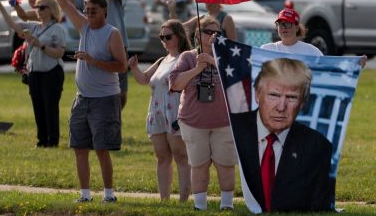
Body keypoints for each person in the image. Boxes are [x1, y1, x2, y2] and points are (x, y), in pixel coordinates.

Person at [47, 0, 127, 203]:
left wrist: (93, 61)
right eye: (87, 10)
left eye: (94, 11)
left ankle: (109, 195)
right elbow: (62, 2)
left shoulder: (111, 33)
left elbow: (121, 66)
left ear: (104, 11)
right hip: (82, 99)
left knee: (101, 150)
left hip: (105, 99)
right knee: (79, 148)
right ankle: (84, 195)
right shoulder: (84, 27)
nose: (89, 14)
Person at [230, 58, 334, 212]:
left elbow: (318, 206)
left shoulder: (318, 146)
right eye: (274, 95)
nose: (281, 107)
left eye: (291, 97)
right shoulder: (234, 129)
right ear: (258, 95)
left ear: (303, 103)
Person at [169, 16, 236, 211]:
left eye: (218, 32)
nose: (214, 35)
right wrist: (197, 68)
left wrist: (213, 62)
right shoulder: (188, 57)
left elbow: (238, 82)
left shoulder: (227, 56)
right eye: (209, 32)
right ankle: (200, 206)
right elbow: (175, 84)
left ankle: (227, 205)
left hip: (223, 121)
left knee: (225, 165)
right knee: (199, 165)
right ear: (198, 35)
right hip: (193, 122)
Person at [128, 19, 192, 201]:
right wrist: (133, 67)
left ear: (179, 37)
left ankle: (183, 199)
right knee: (162, 157)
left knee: (181, 156)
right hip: (156, 112)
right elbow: (144, 79)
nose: (164, 40)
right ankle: (164, 199)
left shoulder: (186, 58)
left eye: (168, 36)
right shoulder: (162, 60)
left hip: (175, 113)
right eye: (161, 37)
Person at [0, 0, 66, 148]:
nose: (38, 9)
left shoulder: (57, 29)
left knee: (50, 108)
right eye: (37, 6)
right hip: (35, 72)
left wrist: (41, 46)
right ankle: (41, 141)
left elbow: (59, 53)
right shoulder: (34, 26)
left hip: (52, 73)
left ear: (51, 9)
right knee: (38, 107)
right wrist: (1, 9)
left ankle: (52, 142)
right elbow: (14, 25)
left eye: (42, 7)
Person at [66, 0, 130, 110]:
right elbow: (66, 3)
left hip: (117, 44)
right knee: (96, 86)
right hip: (94, 44)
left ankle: (115, 119)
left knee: (121, 92)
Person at [261, 8, 368, 67]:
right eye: (280, 24)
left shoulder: (311, 51)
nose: (284, 28)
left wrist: (355, 63)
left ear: (297, 27)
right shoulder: (266, 49)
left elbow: (329, 67)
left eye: (287, 24)